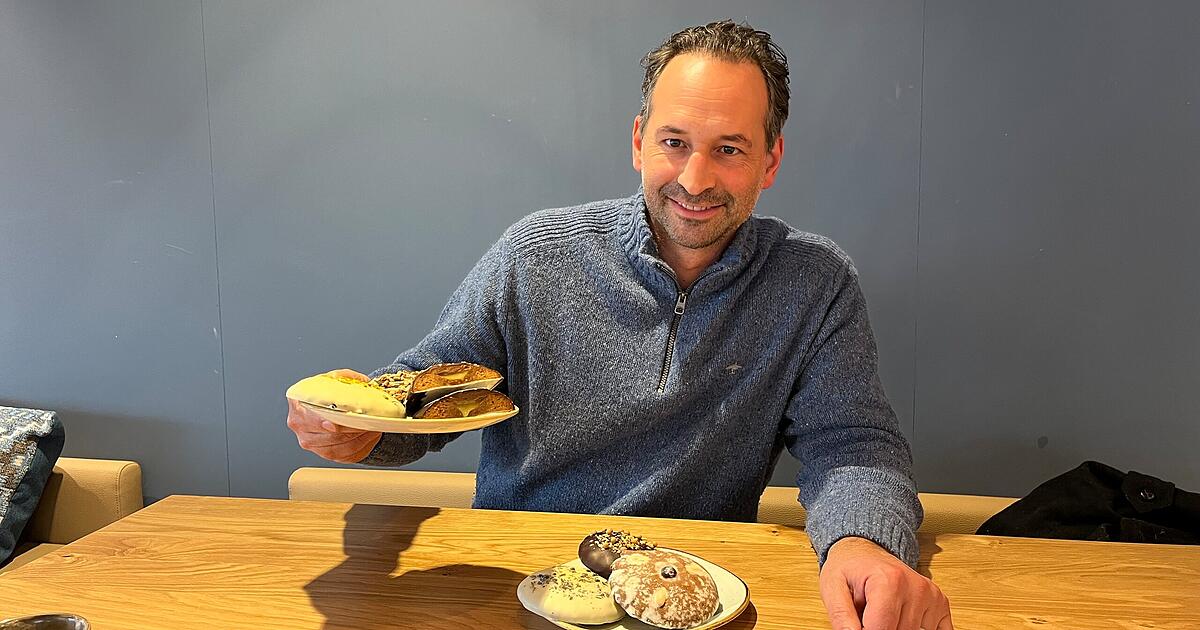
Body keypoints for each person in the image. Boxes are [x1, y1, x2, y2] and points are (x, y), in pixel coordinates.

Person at [287, 20, 952, 630]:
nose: (695, 178)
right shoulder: (535, 254)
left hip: (695, 597)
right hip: (522, 587)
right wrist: (360, 434)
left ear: (771, 161)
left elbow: (855, 444)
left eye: (729, 149)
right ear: (639, 142)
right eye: (674, 142)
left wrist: (862, 540)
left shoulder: (815, 282)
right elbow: (427, 395)